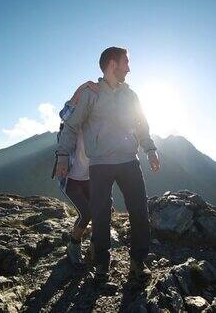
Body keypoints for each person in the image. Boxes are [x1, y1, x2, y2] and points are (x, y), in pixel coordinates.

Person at [55, 47, 160, 284]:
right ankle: (102, 265)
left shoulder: (130, 95)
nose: (129, 68)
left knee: (140, 213)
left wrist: (150, 149)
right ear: (113, 64)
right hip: (100, 164)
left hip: (129, 161)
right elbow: (71, 125)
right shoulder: (91, 93)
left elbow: (142, 123)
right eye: (126, 63)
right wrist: (62, 156)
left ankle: (137, 263)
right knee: (101, 216)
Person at [53, 81, 100, 268]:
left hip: (90, 178)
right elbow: (64, 113)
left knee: (101, 212)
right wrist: (82, 88)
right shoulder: (72, 122)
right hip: (71, 178)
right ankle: (74, 245)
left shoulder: (96, 123)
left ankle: (94, 249)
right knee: (87, 213)